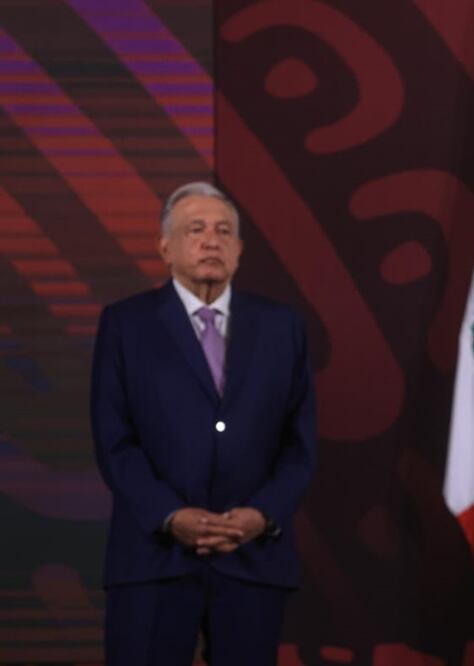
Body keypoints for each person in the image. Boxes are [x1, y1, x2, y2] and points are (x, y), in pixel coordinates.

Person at [90, 182, 317, 664]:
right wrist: (171, 516)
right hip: (153, 561)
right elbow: (114, 441)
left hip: (252, 561)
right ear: (165, 246)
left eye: (223, 231)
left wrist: (262, 515)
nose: (211, 241)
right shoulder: (125, 325)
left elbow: (300, 444)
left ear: (238, 249)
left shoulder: (282, 327)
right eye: (196, 230)